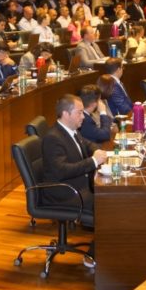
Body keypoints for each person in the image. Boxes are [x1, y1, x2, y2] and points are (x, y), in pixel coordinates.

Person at [40, 94, 107, 222]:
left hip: (77, 185)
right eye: (79, 113)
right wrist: (93, 161)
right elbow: (62, 170)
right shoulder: (53, 138)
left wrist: (96, 150)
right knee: (107, 203)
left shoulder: (71, 130)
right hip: (64, 193)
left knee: (110, 196)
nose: (83, 116)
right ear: (66, 114)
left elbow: (88, 144)